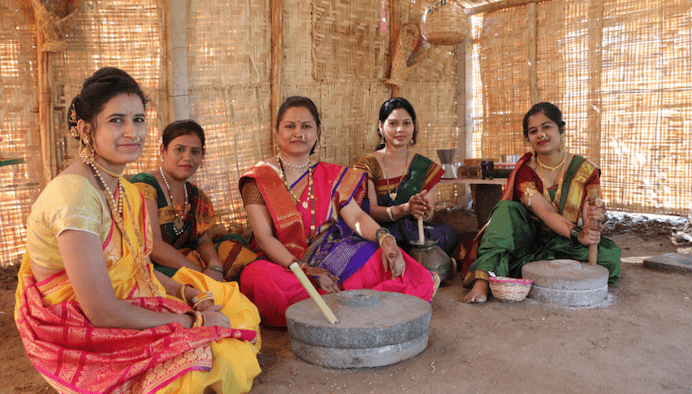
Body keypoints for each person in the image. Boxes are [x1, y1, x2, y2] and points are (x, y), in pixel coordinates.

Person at [14, 67, 261, 394]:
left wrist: (189, 295)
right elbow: (101, 311)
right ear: (87, 129)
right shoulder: (74, 197)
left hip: (120, 299)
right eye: (117, 120)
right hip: (79, 322)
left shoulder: (123, 190)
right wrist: (192, 321)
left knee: (229, 302)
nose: (133, 131)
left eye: (139, 120)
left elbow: (137, 267)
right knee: (221, 361)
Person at [238, 96, 439, 327]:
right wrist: (306, 269)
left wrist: (384, 238)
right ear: (277, 131)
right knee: (258, 278)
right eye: (290, 126)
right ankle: (351, 302)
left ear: (317, 131)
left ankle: (328, 306)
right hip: (282, 264)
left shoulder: (330, 175)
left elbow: (356, 217)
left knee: (379, 256)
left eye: (306, 126)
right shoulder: (259, 178)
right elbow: (264, 239)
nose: (298, 133)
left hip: (330, 256)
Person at [457, 102, 621, 303]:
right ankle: (482, 282)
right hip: (530, 238)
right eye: (533, 131)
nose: (540, 135)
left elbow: (592, 210)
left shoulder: (585, 169)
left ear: (561, 129)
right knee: (505, 210)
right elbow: (544, 211)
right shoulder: (526, 170)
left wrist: (594, 220)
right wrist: (578, 234)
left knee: (609, 256)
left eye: (547, 127)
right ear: (529, 138)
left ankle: (514, 267)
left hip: (566, 242)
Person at [131, 120, 257, 282]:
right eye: (180, 149)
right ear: (163, 150)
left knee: (233, 244)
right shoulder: (145, 184)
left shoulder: (195, 194)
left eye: (195, 152)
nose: (187, 157)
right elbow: (153, 246)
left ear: (202, 155)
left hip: (188, 260)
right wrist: (202, 274)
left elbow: (203, 239)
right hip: (155, 266)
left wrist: (214, 265)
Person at [353, 97, 458, 255]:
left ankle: (416, 261)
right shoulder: (366, 164)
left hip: (412, 231)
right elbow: (368, 211)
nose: (400, 129)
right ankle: (427, 263)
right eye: (393, 123)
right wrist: (402, 209)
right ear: (381, 127)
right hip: (378, 230)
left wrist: (421, 210)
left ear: (414, 127)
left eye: (406, 123)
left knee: (449, 234)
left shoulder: (424, 167)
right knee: (371, 245)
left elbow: (428, 217)